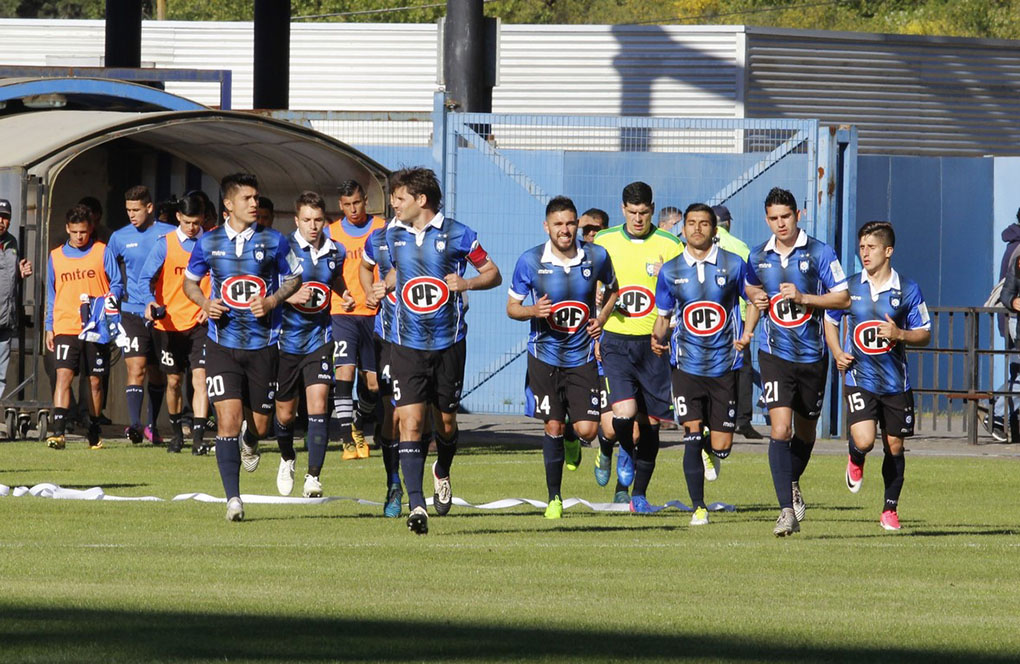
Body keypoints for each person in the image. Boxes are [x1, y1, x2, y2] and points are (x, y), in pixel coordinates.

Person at [364, 167, 502, 535]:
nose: (393, 204)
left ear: (420, 201)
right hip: (404, 344)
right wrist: (376, 288)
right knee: (408, 422)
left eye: (400, 198)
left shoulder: (459, 234)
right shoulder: (388, 237)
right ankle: (417, 504)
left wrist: (467, 282)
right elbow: (381, 273)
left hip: (448, 344)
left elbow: (493, 273)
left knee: (445, 423)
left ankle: (442, 468)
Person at [184, 173, 302, 522]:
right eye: (248, 198)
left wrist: (272, 301)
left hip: (264, 345)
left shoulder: (275, 241)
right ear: (229, 204)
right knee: (228, 420)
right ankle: (233, 500)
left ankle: (251, 441)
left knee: (261, 425)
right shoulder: (207, 243)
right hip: (222, 344)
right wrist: (205, 304)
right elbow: (190, 283)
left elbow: (295, 277)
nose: (255, 204)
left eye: (256, 197)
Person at [744, 187, 850, 536]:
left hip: (812, 356)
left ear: (798, 215)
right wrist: (755, 302)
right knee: (780, 429)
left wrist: (806, 297)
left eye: (785, 217)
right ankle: (786, 511)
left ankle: (791, 483)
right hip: (774, 354)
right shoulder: (759, 255)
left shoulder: (819, 251)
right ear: (767, 219)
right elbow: (751, 288)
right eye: (773, 219)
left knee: (805, 432)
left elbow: (844, 297)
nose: (780, 224)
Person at [507, 196, 618, 519]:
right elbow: (512, 307)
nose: (565, 230)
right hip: (544, 357)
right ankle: (554, 498)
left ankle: (574, 435)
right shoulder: (530, 261)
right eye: (559, 224)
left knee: (586, 430)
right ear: (547, 226)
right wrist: (532, 310)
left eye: (571, 223)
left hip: (582, 356)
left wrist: (602, 319)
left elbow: (613, 290)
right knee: (552, 424)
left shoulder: (596, 256)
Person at [653, 204, 756, 526]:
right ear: (683, 228)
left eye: (704, 224)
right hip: (685, 365)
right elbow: (663, 317)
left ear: (715, 229)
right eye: (692, 224)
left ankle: (715, 449)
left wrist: (748, 333)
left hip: (725, 365)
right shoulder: (670, 271)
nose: (697, 229)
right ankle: (699, 507)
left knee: (722, 445)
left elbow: (754, 299)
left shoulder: (735, 264)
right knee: (691, 433)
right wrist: (656, 339)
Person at [823, 221, 930, 531]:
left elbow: (924, 333)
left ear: (888, 251)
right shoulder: (850, 288)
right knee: (865, 439)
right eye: (861, 247)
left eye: (870, 247)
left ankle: (889, 509)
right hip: (860, 378)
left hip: (896, 382)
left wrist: (900, 333)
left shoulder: (907, 289)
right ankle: (856, 458)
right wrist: (836, 352)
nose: (864, 253)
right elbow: (830, 320)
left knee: (894, 445)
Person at [594, 181, 682, 512]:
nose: (638, 219)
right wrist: (597, 320)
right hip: (616, 339)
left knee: (650, 423)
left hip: (653, 344)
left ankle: (637, 493)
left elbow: (683, 293)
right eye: (632, 212)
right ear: (622, 210)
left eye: (644, 212)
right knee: (623, 415)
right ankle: (615, 450)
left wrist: (667, 277)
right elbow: (592, 286)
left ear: (652, 209)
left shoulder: (670, 244)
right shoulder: (604, 242)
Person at [274, 191, 353, 498]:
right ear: (297, 220)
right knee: (284, 415)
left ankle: (313, 478)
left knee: (319, 405)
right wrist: (289, 296)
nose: (313, 226)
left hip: (319, 340)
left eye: (318, 220)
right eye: (307, 220)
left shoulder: (337, 251)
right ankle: (287, 457)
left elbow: (333, 278)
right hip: (284, 341)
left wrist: (343, 293)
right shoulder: (282, 248)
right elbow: (267, 285)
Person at [44, 204, 121, 450]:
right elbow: (51, 294)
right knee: (63, 375)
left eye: (84, 232)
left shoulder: (101, 251)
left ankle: (93, 428)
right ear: (67, 229)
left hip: (96, 327)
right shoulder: (56, 256)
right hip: (66, 324)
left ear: (91, 230)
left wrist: (109, 305)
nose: (79, 237)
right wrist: (49, 326)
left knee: (95, 381)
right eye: (75, 232)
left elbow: (116, 283)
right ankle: (58, 432)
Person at [140, 192, 212, 454]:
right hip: (168, 325)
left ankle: (199, 437)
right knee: (173, 381)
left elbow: (222, 278)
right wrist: (149, 302)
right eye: (187, 222)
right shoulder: (164, 244)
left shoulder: (211, 243)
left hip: (200, 322)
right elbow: (143, 278)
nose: (192, 228)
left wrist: (210, 303)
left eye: (197, 222)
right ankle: (175, 432)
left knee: (200, 379)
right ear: (179, 217)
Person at [107, 185, 175, 445]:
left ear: (149, 208)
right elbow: (110, 273)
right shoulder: (119, 237)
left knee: (158, 373)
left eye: (136, 210)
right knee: (135, 368)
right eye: (128, 210)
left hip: (162, 313)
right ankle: (134, 425)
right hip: (132, 312)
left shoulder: (169, 235)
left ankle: (151, 425)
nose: (131, 215)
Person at [327, 180, 388, 460]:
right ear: (341, 205)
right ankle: (345, 439)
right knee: (344, 373)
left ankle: (358, 425)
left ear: (365, 200)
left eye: (357, 203)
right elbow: (323, 271)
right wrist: (339, 293)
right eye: (347, 204)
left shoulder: (381, 228)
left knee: (373, 383)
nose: (353, 209)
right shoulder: (332, 233)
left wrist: (381, 290)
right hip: (343, 311)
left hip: (374, 314)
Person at [361, 216, 405, 517]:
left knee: (433, 415)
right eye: (398, 200)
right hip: (389, 335)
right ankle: (394, 485)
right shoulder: (377, 238)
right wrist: (369, 290)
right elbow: (365, 267)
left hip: (429, 339)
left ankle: (442, 471)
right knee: (393, 411)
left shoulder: (438, 236)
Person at [712, 204, 763, 440]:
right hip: (738, 317)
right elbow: (751, 283)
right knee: (742, 369)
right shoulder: (739, 246)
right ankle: (742, 419)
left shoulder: (697, 246)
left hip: (709, 315)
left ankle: (714, 415)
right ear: (728, 223)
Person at [988, 207, 1020, 441]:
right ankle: (998, 413)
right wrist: (1014, 301)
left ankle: (1000, 414)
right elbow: (1008, 290)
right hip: (1015, 323)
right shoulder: (1017, 251)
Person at [0, 199, 33, 403]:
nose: (1, 221)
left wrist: (20, 274)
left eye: (5, 217)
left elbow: (9, 278)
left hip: (6, 318)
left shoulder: (12, 242)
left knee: (0, 374)